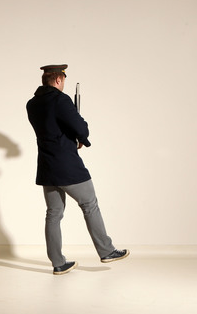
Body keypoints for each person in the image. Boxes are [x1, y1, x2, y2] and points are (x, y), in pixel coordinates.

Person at [26, 64, 129, 275]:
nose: (63, 84)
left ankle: (58, 263)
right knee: (90, 204)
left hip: (46, 166)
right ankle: (107, 250)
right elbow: (80, 127)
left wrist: (73, 135)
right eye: (63, 80)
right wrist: (81, 137)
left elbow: (53, 127)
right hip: (67, 165)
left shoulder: (32, 104)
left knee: (53, 214)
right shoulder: (61, 100)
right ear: (58, 80)